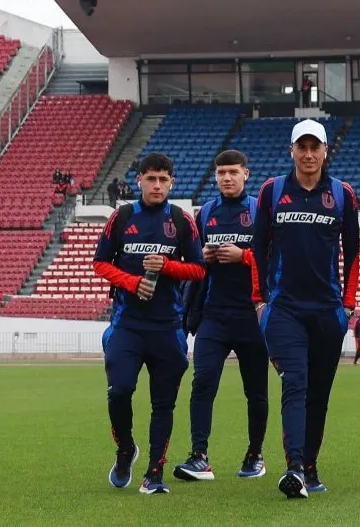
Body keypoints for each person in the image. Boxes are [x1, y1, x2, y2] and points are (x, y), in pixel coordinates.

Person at [252, 119, 360, 499]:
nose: (309, 154)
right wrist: (260, 300)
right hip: (285, 310)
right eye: (303, 147)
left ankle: (310, 465)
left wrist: (347, 305)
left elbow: (353, 253)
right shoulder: (272, 190)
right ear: (292, 150)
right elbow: (258, 248)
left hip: (328, 311)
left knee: (319, 393)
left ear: (326, 151)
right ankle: (294, 468)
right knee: (294, 384)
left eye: (316, 147)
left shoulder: (343, 194)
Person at [92, 152, 206, 494]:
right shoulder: (122, 216)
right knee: (120, 391)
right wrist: (130, 281)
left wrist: (169, 266)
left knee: (163, 403)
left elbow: (199, 269)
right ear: (139, 179)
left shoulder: (182, 220)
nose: (157, 185)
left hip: (168, 327)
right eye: (150, 178)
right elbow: (100, 263)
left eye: (163, 179)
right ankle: (126, 450)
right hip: (127, 325)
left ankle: (155, 473)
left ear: (172, 182)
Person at [173, 149, 269, 483]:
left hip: (252, 315)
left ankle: (255, 454)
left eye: (233, 172)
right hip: (214, 314)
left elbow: (274, 258)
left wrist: (245, 256)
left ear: (246, 174)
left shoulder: (260, 210)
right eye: (221, 173)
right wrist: (204, 259)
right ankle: (199, 457)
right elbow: (193, 264)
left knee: (255, 390)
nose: (226, 178)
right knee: (203, 383)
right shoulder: (205, 213)